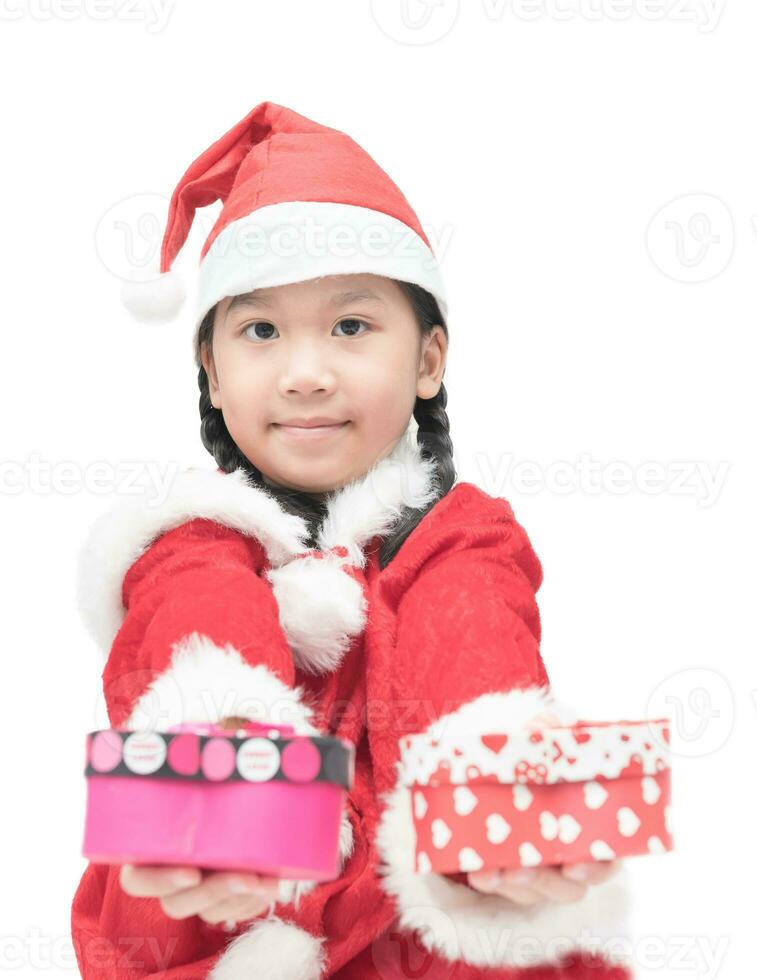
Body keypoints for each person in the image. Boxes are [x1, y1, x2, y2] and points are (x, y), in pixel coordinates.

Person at [70, 100, 633, 979]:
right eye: (260, 331)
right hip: (220, 916)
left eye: (351, 326)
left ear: (428, 362)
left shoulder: (460, 540)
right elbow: (196, 617)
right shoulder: (184, 549)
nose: (306, 374)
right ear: (212, 374)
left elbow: (473, 634)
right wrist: (222, 748)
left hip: (421, 925)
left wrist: (492, 776)